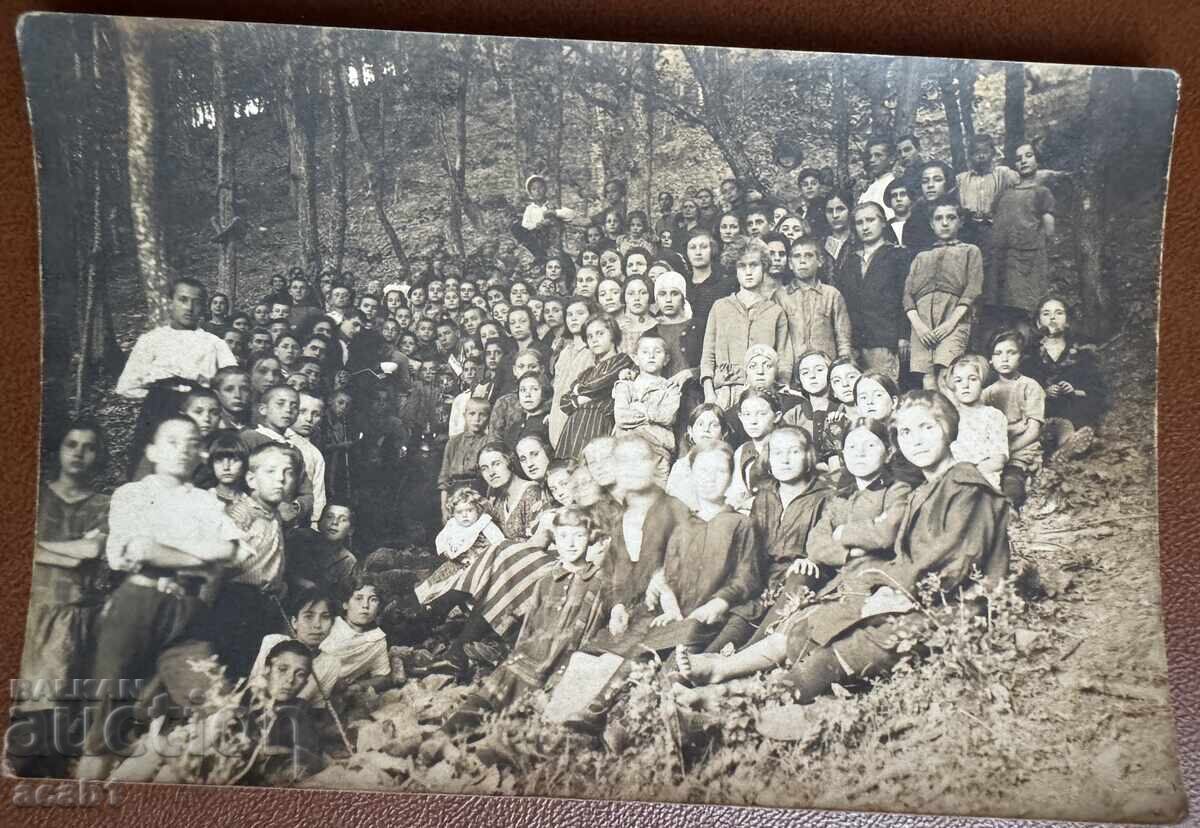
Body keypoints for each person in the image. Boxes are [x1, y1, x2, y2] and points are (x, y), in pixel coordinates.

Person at [674, 391, 1009, 704]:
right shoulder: (928, 489)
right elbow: (902, 557)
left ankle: (730, 698)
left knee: (842, 650)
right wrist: (872, 587)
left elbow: (955, 563)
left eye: (926, 427)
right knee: (814, 620)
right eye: (906, 432)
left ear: (949, 430)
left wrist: (890, 592)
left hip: (949, 610)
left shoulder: (965, 485)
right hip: (913, 594)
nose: (916, 439)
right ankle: (721, 667)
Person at [78, 418, 244, 780]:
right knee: (105, 722)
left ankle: (157, 788)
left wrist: (169, 551)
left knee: (217, 706)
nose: (182, 449)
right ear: (152, 450)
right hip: (137, 603)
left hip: (187, 612)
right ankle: (85, 799)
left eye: (191, 442)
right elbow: (135, 550)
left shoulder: (206, 501)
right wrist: (202, 557)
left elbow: (232, 552)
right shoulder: (132, 494)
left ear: (201, 453)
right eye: (171, 441)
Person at [443, 507, 607, 733]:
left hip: (564, 660)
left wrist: (576, 667)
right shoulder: (546, 580)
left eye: (578, 536)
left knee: (529, 718)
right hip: (532, 654)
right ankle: (443, 737)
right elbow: (529, 627)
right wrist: (516, 656)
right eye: (563, 536)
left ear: (589, 538)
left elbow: (593, 630)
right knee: (496, 688)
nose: (571, 544)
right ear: (555, 539)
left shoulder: (598, 581)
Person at [10, 422, 112, 779]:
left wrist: (38, 547)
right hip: (30, 612)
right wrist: (65, 552)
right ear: (58, 450)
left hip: (75, 618)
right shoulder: (34, 495)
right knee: (25, 706)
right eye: (71, 444)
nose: (79, 453)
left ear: (99, 456)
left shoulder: (104, 504)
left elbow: (89, 551)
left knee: (58, 715)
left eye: (89, 447)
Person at [903, 199, 983, 392]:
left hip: (954, 315)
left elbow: (973, 288)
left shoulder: (970, 251)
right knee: (927, 376)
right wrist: (919, 327)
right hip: (921, 320)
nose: (945, 223)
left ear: (960, 222)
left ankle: (950, 419)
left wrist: (950, 323)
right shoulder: (921, 256)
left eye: (951, 218)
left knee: (947, 372)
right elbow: (907, 295)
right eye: (939, 218)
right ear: (932, 224)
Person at [115, 278, 238, 400]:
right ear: (170, 303)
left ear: (203, 307)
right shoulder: (150, 340)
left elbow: (233, 383)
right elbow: (126, 386)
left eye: (196, 302)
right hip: (159, 410)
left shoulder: (215, 343)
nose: (189, 307)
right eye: (183, 300)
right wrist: (162, 393)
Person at [701, 239, 789, 410]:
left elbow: (784, 357)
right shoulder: (720, 307)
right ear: (735, 269)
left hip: (763, 394)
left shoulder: (775, 312)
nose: (748, 272)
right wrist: (709, 393)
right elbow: (708, 354)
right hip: (725, 393)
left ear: (764, 267)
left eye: (754, 265)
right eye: (742, 266)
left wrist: (782, 386)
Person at [300, 575, 402, 706]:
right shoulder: (329, 625)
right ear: (345, 604)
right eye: (358, 598)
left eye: (373, 600)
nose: (365, 606)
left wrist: (358, 686)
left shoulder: (377, 639)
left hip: (331, 698)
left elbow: (383, 676)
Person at [835, 204, 910, 380]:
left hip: (884, 339)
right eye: (859, 222)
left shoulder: (897, 255)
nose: (865, 226)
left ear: (883, 223)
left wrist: (903, 335)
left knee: (883, 387)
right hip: (856, 342)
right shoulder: (850, 261)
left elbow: (907, 296)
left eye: (870, 220)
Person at [1027, 296, 1106, 459]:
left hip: (1072, 408)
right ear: (1038, 322)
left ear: (1068, 321)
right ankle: (1059, 447)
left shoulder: (1083, 353)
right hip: (1043, 411)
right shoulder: (1029, 355)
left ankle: (1069, 445)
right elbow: (1022, 389)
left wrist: (1073, 391)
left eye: (1059, 313)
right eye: (1046, 314)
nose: (1053, 318)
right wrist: (1044, 392)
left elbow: (1097, 392)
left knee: (1079, 416)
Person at [990, 142, 1058, 329]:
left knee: (1027, 306)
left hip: (1029, 257)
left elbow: (1049, 229)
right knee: (1005, 306)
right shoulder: (1005, 193)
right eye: (1018, 159)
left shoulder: (1041, 192)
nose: (1023, 161)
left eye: (1028, 156)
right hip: (1004, 258)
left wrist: (1034, 246)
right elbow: (996, 216)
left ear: (1037, 160)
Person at [557, 315, 635, 460]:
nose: (594, 339)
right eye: (589, 336)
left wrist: (579, 391)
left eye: (600, 333)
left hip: (598, 422)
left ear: (612, 334)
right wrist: (580, 399)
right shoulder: (587, 372)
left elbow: (600, 383)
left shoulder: (622, 360)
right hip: (574, 426)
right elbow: (564, 402)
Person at [982, 330, 1045, 509]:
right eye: (998, 353)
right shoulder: (987, 393)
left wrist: (1009, 450)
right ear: (990, 360)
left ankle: (1009, 507)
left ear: (1021, 357)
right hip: (996, 451)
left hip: (1021, 449)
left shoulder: (1030, 386)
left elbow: (1033, 431)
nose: (1004, 358)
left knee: (1011, 478)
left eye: (1011, 353)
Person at [416, 486, 506, 607]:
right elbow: (442, 540)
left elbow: (499, 541)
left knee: (464, 586)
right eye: (459, 512)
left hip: (480, 564)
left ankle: (456, 608)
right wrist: (447, 552)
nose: (465, 515)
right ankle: (430, 603)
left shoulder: (484, 523)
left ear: (478, 510)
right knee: (440, 580)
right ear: (453, 513)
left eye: (469, 510)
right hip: (458, 563)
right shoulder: (453, 524)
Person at [612, 332, 681, 486]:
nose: (651, 356)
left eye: (657, 352)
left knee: (656, 500)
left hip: (658, 452)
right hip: (627, 451)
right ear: (636, 358)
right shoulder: (625, 385)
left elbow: (668, 417)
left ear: (666, 359)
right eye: (645, 352)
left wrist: (637, 407)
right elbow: (621, 417)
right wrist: (652, 416)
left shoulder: (670, 389)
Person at [777, 235, 853, 373]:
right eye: (796, 256)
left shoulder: (832, 295)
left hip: (826, 369)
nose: (802, 261)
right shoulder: (780, 296)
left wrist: (843, 367)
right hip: (793, 372)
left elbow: (843, 338)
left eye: (808, 256)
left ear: (820, 261)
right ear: (790, 263)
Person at [947, 354, 1008, 491]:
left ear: (982, 382)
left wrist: (970, 476)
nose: (965, 385)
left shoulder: (993, 416)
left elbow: (998, 459)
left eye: (973, 379)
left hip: (984, 481)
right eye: (958, 380)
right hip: (952, 481)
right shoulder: (949, 416)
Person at [724, 389, 783, 513]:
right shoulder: (742, 451)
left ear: (776, 416)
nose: (753, 421)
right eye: (747, 414)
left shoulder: (785, 446)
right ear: (740, 417)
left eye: (761, 414)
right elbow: (737, 492)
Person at [286, 502, 360, 600]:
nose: (334, 522)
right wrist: (301, 582)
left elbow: (342, 596)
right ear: (319, 522)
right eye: (329, 517)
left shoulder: (348, 561)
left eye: (343, 520)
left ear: (351, 530)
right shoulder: (300, 538)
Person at [665, 403, 728, 510]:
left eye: (714, 425)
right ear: (690, 431)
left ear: (723, 433)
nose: (706, 429)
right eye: (700, 424)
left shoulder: (727, 466)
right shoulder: (680, 466)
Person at [439, 397, 490, 515]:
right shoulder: (454, 442)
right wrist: (443, 508)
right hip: (455, 497)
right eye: (472, 414)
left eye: (482, 415)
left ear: (489, 418)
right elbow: (444, 478)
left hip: (479, 497)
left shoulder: (489, 442)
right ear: (464, 415)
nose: (476, 419)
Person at [288, 391, 328, 529]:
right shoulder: (275, 439)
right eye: (302, 411)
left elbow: (318, 494)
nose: (309, 419)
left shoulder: (315, 454)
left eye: (316, 414)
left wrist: (315, 523)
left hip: (297, 522)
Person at [858, 138, 897, 220]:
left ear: (891, 159)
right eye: (871, 156)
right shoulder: (870, 187)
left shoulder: (893, 186)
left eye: (878, 155)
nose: (872, 160)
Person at [617, 276, 656, 357]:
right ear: (624, 297)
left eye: (643, 293)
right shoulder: (617, 329)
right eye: (631, 293)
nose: (637, 298)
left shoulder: (659, 326)